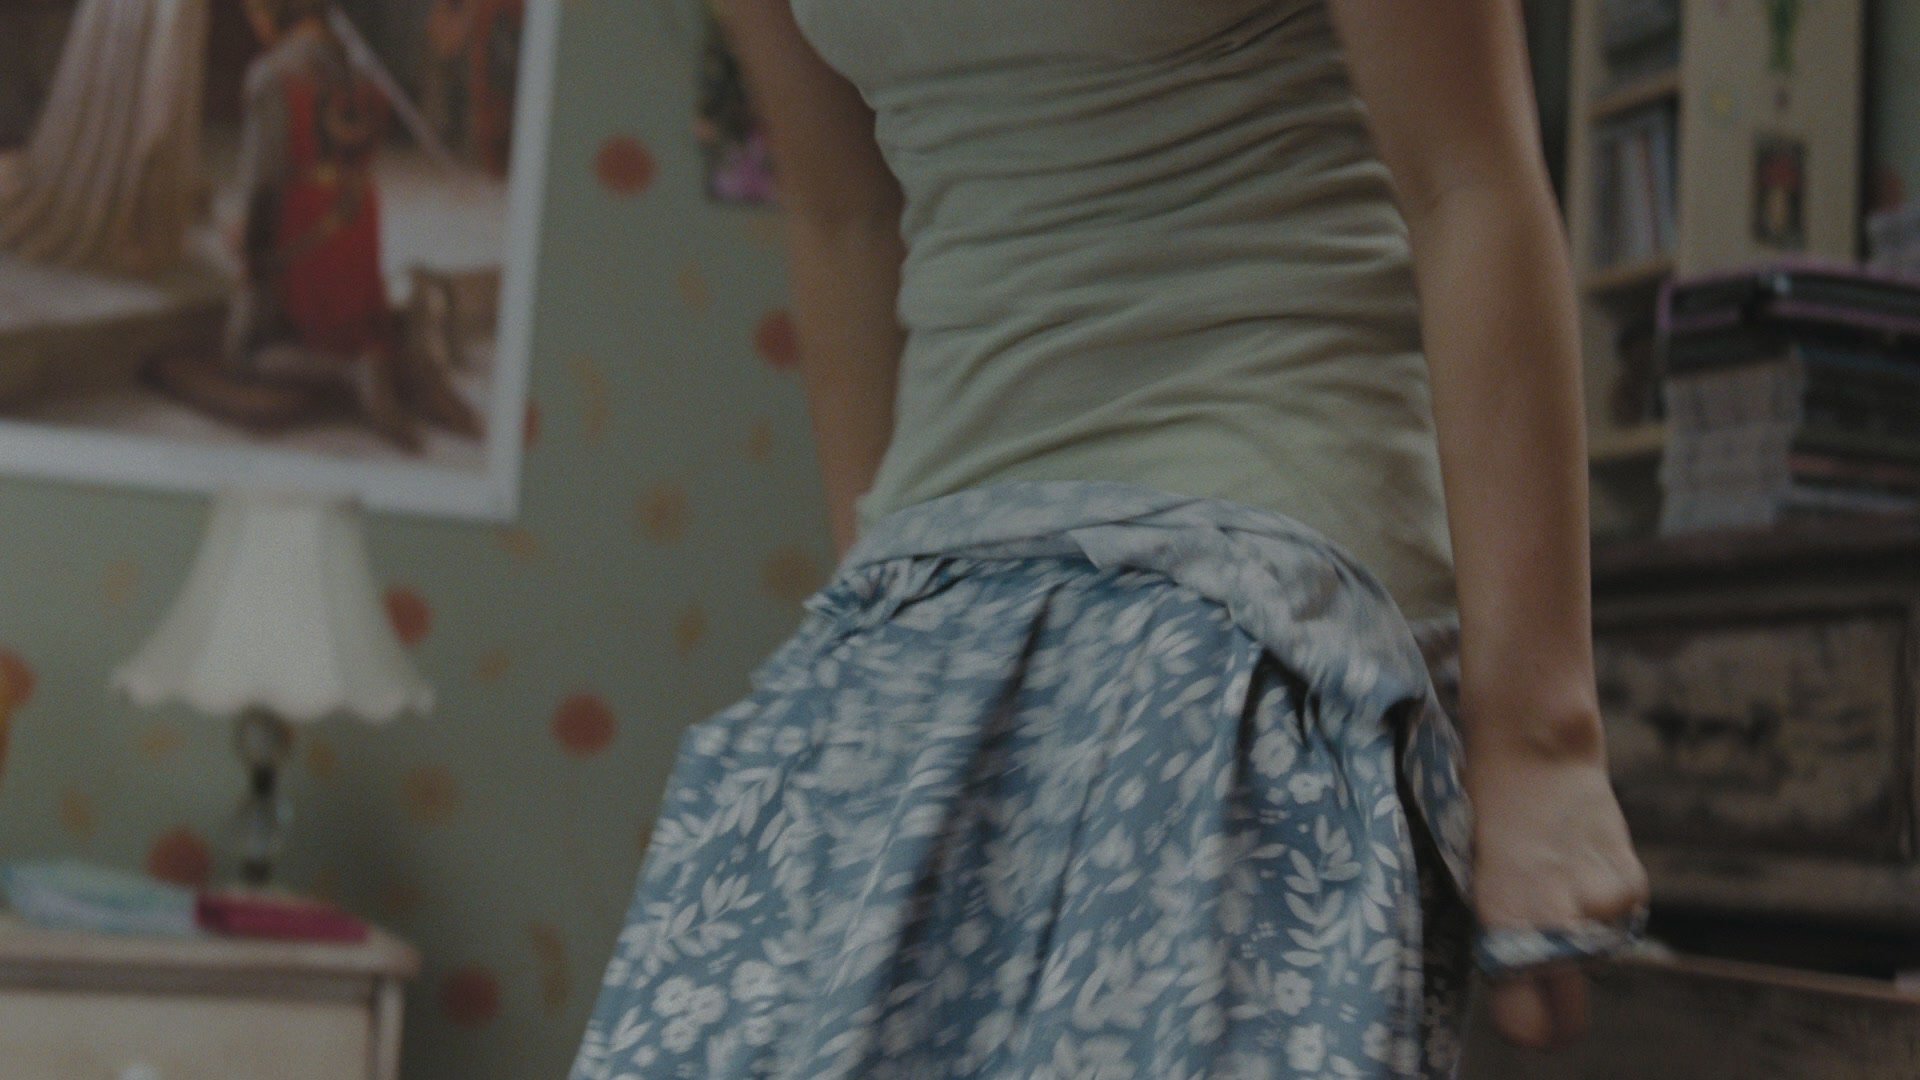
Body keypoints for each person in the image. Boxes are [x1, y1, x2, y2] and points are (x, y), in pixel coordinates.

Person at [572, 1, 1651, 1077]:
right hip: (937, 553)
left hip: (1260, 570)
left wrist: (1540, 746)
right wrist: (872, 607)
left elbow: (1468, 180)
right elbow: (843, 212)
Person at [150, 0, 484, 452]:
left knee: (245, 353)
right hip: (356, 222)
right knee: (347, 326)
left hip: (303, 228)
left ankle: (352, 374)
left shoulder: (272, 74)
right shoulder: (359, 68)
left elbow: (262, 182)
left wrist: (245, 240)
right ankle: (406, 367)